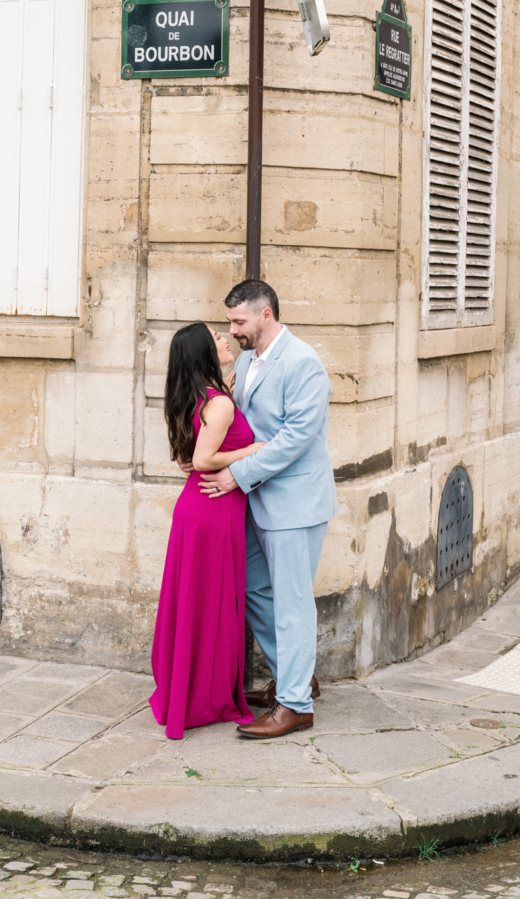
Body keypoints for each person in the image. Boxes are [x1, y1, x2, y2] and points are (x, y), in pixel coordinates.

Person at [199, 279, 337, 739]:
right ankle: (296, 677)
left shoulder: (303, 363)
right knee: (256, 589)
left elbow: (296, 439)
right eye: (230, 321)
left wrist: (235, 475)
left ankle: (295, 705)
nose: (233, 330)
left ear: (265, 315)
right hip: (257, 502)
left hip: (294, 502)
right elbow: (242, 423)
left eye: (239, 321)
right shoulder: (244, 360)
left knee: (293, 603)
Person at [149, 323, 266, 739]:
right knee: (211, 603)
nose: (226, 339)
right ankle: (203, 697)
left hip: (202, 508)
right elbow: (201, 460)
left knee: (202, 602)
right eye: (217, 337)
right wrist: (251, 450)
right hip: (212, 506)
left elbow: (191, 454)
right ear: (204, 352)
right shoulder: (218, 403)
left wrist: (227, 393)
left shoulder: (208, 396)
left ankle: (195, 689)